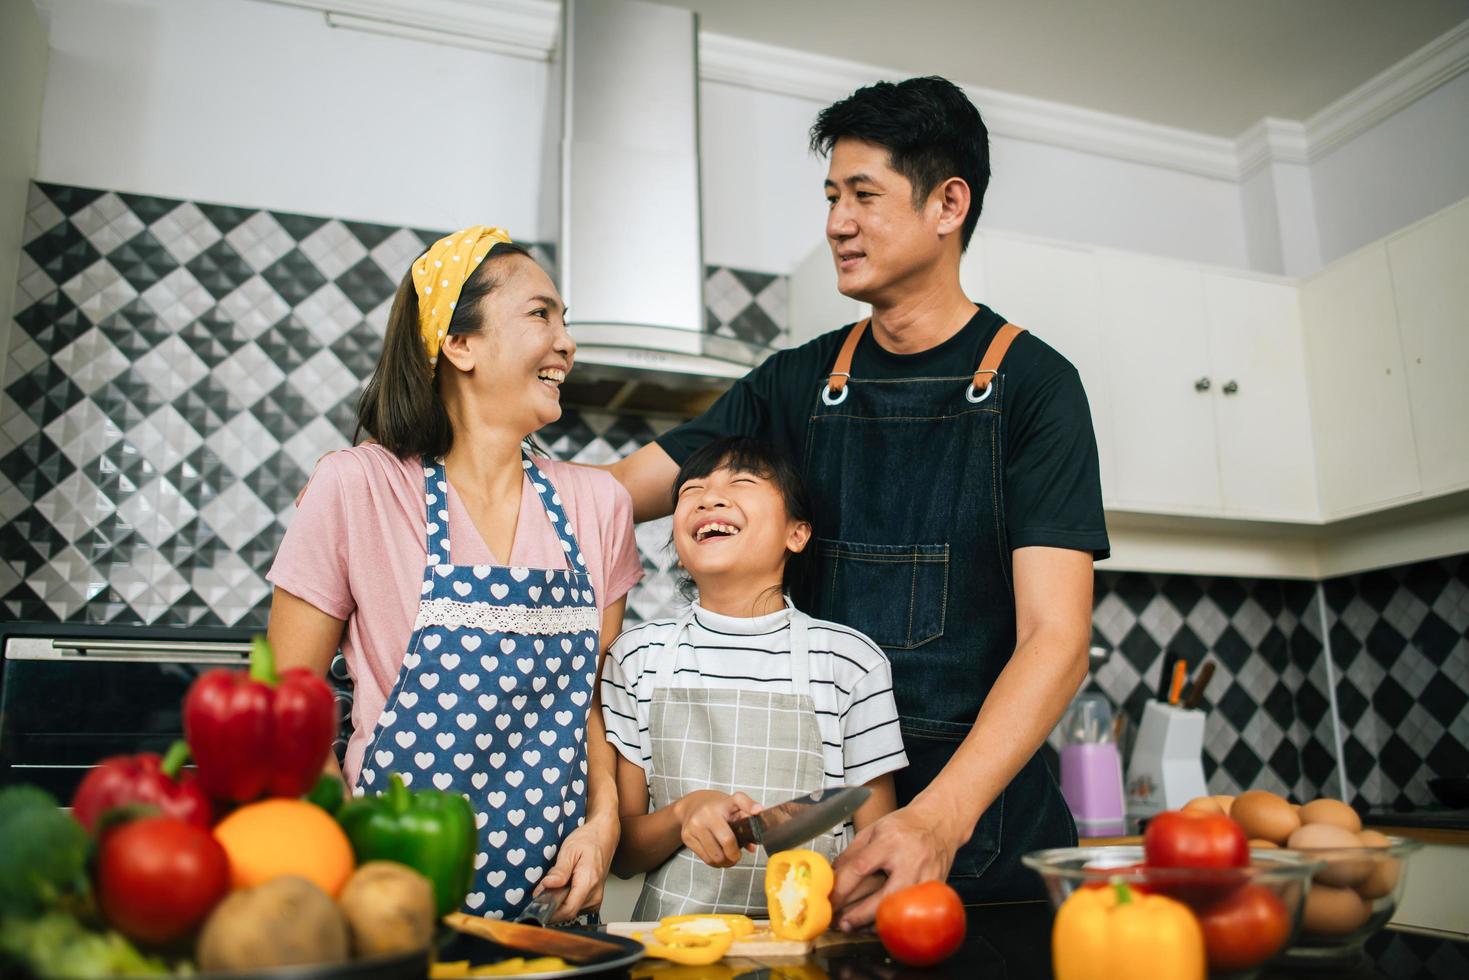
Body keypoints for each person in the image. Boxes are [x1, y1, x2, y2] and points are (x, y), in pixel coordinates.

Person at [607, 77, 1108, 925]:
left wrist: (936, 822)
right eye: (831, 196)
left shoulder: (1036, 387)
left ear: (948, 204)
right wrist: (449, 465)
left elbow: (1055, 641)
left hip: (979, 847)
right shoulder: (795, 382)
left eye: (863, 195)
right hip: (817, 859)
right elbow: (612, 500)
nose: (836, 221)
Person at [267, 226, 643, 922]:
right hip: (386, 895)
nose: (566, 341)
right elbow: (286, 713)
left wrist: (603, 823)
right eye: (541, 314)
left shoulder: (599, 505)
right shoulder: (357, 487)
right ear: (459, 343)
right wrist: (344, 854)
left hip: (555, 909)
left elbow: (590, 705)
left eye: (565, 321)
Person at [600, 438, 905, 917]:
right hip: (677, 946)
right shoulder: (636, 657)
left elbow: (876, 844)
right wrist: (685, 812)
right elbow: (622, 854)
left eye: (740, 482)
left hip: (811, 941)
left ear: (797, 534)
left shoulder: (850, 661)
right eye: (691, 490)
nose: (709, 497)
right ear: (679, 548)